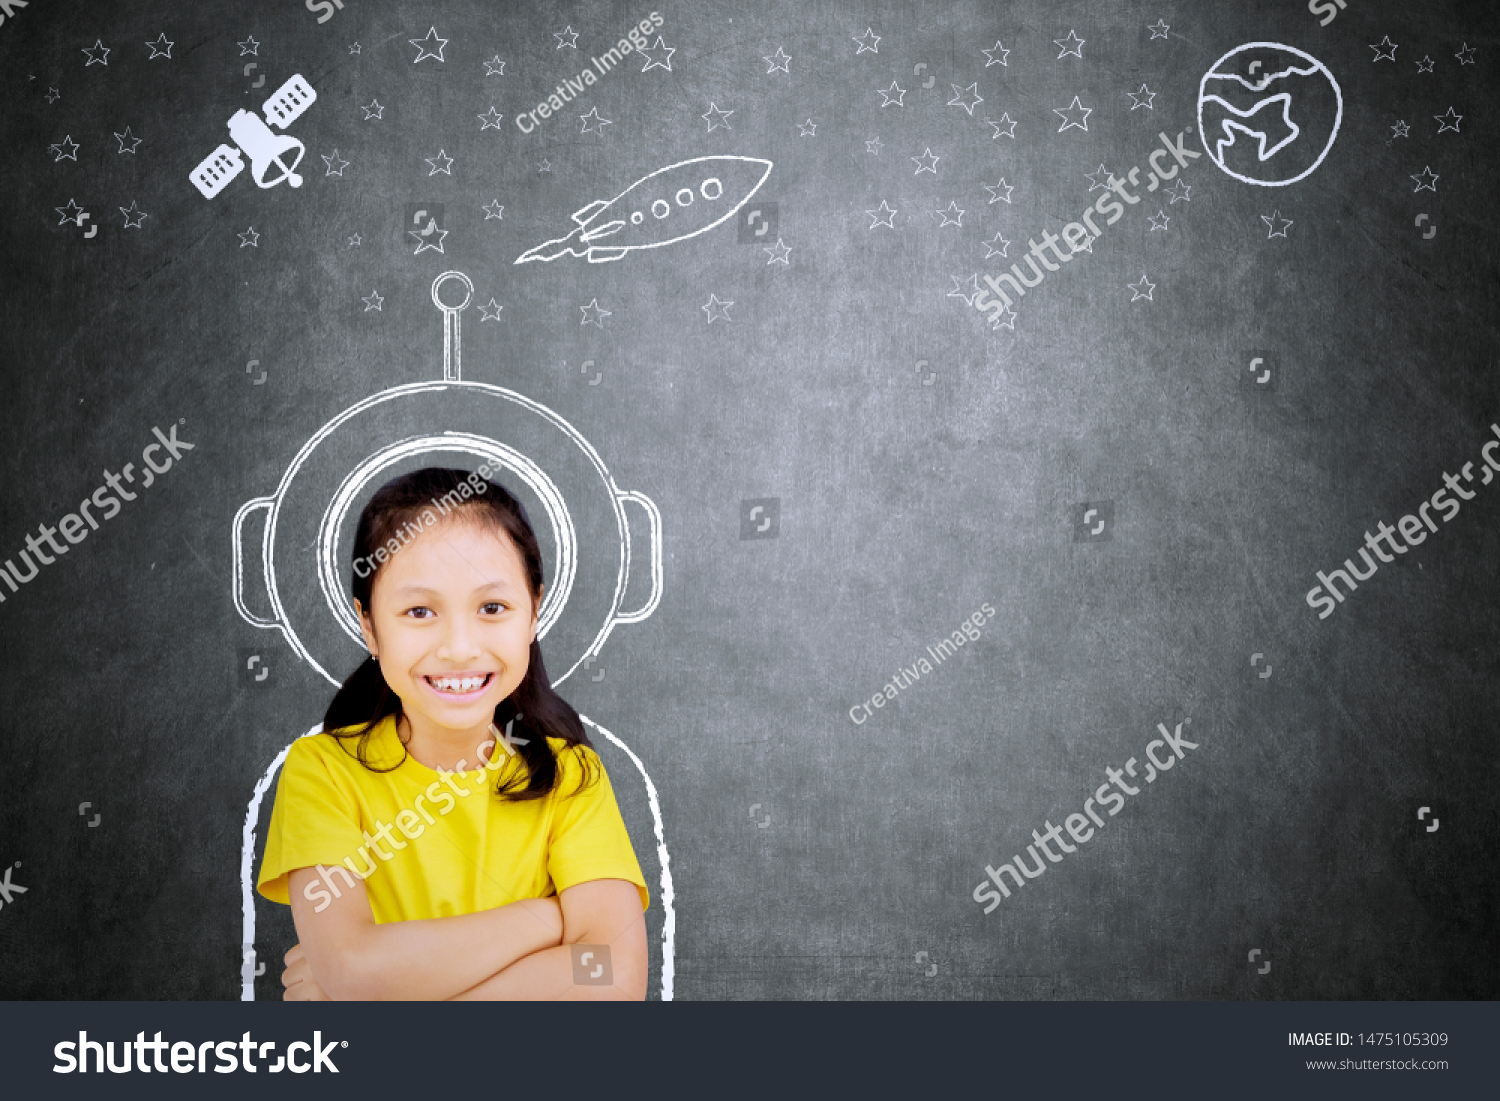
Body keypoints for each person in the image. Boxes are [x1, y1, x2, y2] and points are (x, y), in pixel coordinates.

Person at [256, 467, 649, 999]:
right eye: (419, 611)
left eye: (492, 608)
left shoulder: (569, 776)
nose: (460, 648)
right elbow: (354, 969)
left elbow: (612, 976)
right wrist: (544, 920)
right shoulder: (322, 773)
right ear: (369, 625)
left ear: (534, 611)